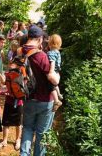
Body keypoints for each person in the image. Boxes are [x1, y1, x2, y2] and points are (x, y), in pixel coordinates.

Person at [20, 26, 59, 156]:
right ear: (40, 39)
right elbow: (53, 80)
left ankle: (24, 154)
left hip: (28, 98)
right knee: (41, 133)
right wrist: (57, 77)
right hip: (44, 100)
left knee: (27, 128)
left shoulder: (20, 52)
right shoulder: (41, 56)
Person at [0, 59, 23, 152]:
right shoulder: (8, 74)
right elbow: (4, 83)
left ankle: (18, 139)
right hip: (9, 102)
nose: (10, 65)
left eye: (12, 64)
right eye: (10, 63)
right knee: (6, 122)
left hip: (19, 102)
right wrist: (5, 91)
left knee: (18, 123)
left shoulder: (22, 74)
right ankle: (4, 140)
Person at [47, 34, 63, 112]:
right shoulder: (57, 52)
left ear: (51, 43)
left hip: (53, 71)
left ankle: (56, 101)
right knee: (55, 85)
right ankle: (59, 94)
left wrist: (50, 72)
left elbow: (52, 62)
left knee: (51, 86)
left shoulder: (51, 53)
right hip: (57, 72)